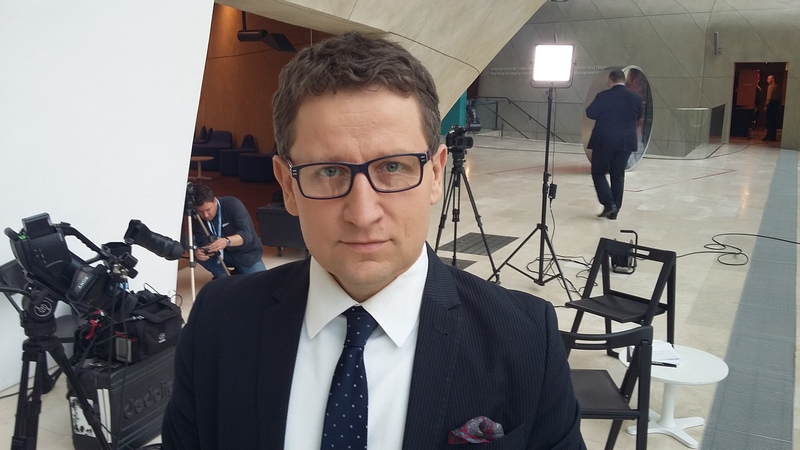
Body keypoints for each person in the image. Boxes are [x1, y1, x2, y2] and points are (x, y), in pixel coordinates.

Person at [162, 32, 585, 449]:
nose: (363, 214)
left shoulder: (526, 338)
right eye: (329, 171)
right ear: (287, 186)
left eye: (394, 167)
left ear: (435, 174)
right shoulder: (218, 321)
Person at [586, 69, 643, 220]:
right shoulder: (635, 98)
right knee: (618, 175)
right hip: (626, 142)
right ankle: (615, 210)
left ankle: (609, 203)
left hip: (604, 141)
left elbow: (590, 113)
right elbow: (638, 116)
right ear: (623, 81)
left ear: (611, 80)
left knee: (598, 172)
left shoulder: (603, 96)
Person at [190, 183, 266, 277]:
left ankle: (237, 273)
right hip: (219, 254)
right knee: (193, 250)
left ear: (215, 201)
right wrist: (199, 251)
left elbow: (247, 235)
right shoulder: (196, 216)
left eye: (208, 210)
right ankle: (222, 275)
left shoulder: (232, 204)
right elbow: (200, 239)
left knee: (260, 279)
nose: (205, 215)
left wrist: (227, 241)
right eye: (201, 211)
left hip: (245, 254)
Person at [763, 74, 780, 141]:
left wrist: (766, 106)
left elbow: (769, 97)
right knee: (773, 121)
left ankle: (768, 135)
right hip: (776, 104)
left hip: (771, 104)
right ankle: (773, 136)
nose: (767, 80)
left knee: (769, 120)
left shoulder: (770, 87)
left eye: (769, 79)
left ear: (773, 80)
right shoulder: (778, 87)